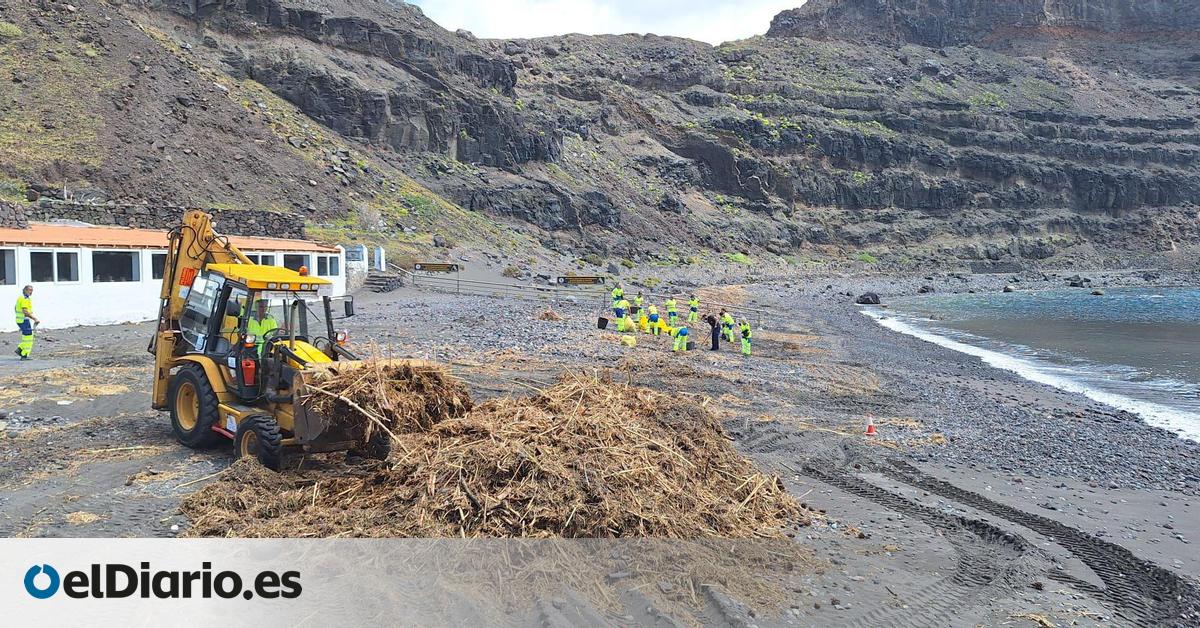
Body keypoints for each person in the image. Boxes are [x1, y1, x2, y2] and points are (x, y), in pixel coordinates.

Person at [13, 285, 39, 360]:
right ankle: (24, 354)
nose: (31, 292)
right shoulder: (25, 299)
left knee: (26, 337)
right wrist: (35, 319)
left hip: (20, 320)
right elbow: (25, 311)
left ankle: (20, 349)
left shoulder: (21, 298)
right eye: (29, 290)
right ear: (25, 290)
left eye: (32, 290)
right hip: (24, 320)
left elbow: (15, 308)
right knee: (28, 338)